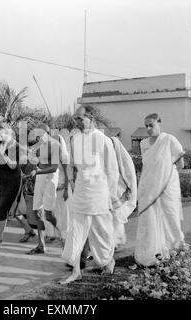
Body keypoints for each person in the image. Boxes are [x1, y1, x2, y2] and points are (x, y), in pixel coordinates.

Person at [59, 106, 120, 284]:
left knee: (101, 230)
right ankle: (76, 271)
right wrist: (70, 181)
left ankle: (109, 261)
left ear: (90, 118)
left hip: (99, 191)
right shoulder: (75, 139)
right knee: (75, 230)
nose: (77, 122)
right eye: (75, 119)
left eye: (80, 119)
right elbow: (72, 164)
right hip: (81, 190)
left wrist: (112, 195)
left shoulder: (103, 140)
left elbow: (112, 169)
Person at [134, 113, 185, 267]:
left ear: (159, 124)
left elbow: (180, 164)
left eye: (152, 125)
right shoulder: (143, 143)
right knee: (148, 220)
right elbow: (146, 166)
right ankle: (152, 252)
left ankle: (174, 250)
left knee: (170, 218)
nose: (149, 128)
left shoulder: (169, 140)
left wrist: (165, 174)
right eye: (146, 125)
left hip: (167, 188)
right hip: (148, 188)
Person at [0, 123, 30, 249]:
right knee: (15, 211)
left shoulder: (17, 147)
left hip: (14, 181)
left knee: (2, 209)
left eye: (2, 133)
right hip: (4, 181)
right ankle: (29, 230)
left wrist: (4, 154)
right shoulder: (2, 145)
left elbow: (13, 166)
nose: (0, 136)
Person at [26, 124, 62, 255]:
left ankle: (63, 237)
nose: (39, 137)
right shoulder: (40, 146)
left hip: (50, 179)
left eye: (41, 135)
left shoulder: (55, 145)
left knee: (49, 214)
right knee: (37, 212)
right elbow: (37, 163)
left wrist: (38, 172)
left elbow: (54, 167)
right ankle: (41, 245)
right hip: (40, 178)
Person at [110, 136, 137, 249]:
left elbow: (129, 173)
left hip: (121, 189)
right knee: (111, 216)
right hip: (109, 190)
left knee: (117, 216)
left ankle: (118, 241)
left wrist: (130, 188)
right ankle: (113, 241)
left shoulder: (123, 158)